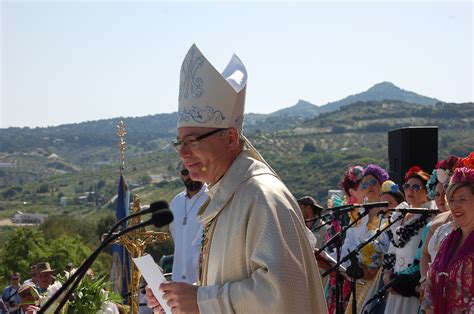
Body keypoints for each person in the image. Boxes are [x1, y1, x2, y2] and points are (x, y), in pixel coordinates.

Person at [146, 44, 327, 313]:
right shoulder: (224, 194)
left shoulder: (261, 195)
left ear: (230, 138)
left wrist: (200, 301)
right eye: (179, 143)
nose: (182, 153)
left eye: (193, 140)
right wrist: (179, 300)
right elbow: (229, 282)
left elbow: (283, 293)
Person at [383, 166, 435, 314]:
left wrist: (411, 283)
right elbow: (392, 248)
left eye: (416, 187)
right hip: (396, 280)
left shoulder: (431, 217)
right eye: (407, 186)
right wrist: (387, 274)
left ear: (427, 191)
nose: (410, 190)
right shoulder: (399, 214)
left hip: (414, 281)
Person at [422, 166, 474, 313]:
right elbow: (432, 279)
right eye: (451, 200)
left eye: (462, 199)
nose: (455, 206)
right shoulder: (448, 240)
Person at [169, 165, 207, 284]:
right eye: (186, 172)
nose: (190, 175)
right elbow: (175, 236)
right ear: (181, 175)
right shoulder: (176, 202)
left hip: (203, 280)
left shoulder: (211, 198)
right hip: (178, 278)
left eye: (194, 169)